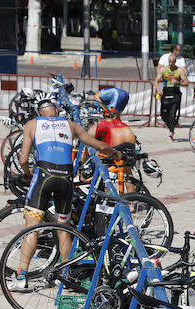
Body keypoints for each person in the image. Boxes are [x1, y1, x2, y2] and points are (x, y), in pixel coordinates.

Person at [11, 97, 118, 290]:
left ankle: (21, 277)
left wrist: (27, 175)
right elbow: (99, 146)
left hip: (44, 176)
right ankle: (66, 277)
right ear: (57, 111)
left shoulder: (32, 124)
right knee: (63, 228)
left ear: (40, 113)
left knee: (32, 227)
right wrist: (116, 154)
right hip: (66, 178)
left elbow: (23, 159)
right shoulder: (71, 124)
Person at [154, 51, 187, 142]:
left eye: (173, 62)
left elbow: (186, 82)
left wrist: (178, 82)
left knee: (172, 115)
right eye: (170, 62)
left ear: (175, 61)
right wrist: (158, 89)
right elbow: (156, 80)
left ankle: (171, 133)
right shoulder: (164, 69)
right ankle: (171, 125)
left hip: (175, 93)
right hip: (166, 93)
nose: (171, 64)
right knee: (164, 115)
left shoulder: (179, 70)